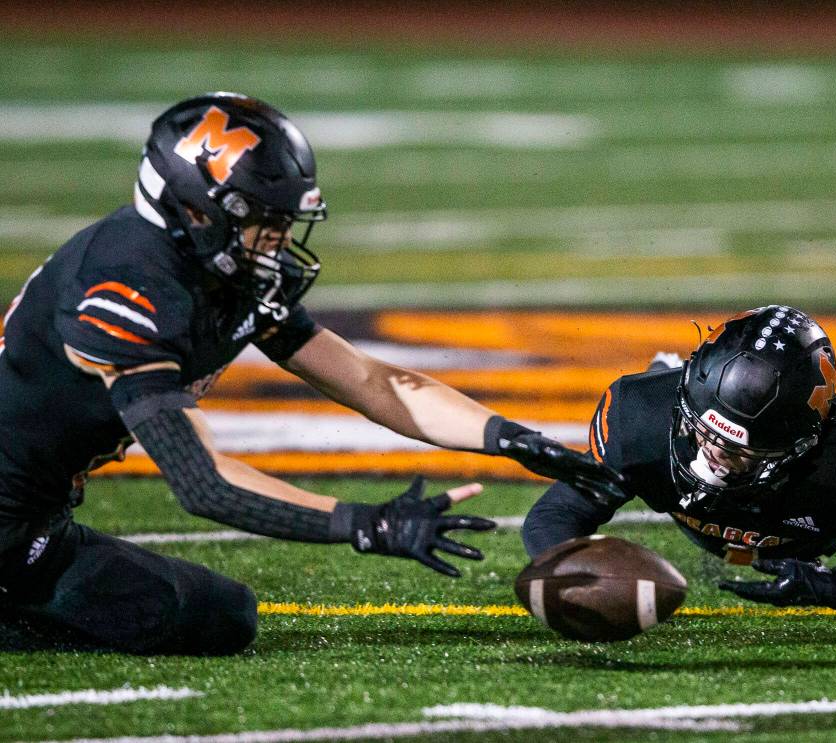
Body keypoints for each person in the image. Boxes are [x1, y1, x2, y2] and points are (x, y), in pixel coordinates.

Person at [0, 92, 624, 655]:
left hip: (35, 517)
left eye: (281, 224)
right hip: (11, 525)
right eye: (260, 223)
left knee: (220, 616)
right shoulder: (124, 287)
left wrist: (511, 439)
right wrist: (365, 523)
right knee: (205, 617)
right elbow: (203, 483)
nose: (274, 242)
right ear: (192, 210)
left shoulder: (218, 273)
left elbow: (368, 381)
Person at [522, 41, 836, 609]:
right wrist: (569, 575)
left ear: (803, 443)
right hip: (706, 449)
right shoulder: (643, 421)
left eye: (737, 451)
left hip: (813, 514)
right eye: (707, 434)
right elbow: (556, 513)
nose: (711, 456)